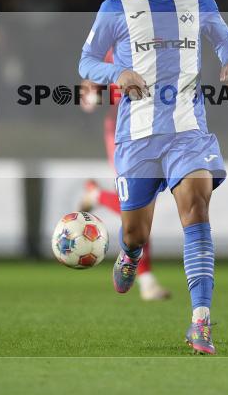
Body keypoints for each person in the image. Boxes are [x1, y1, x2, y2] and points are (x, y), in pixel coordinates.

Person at [78, 0, 228, 355]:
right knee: (136, 232)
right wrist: (117, 73)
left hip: (188, 132)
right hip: (137, 138)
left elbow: (223, 36)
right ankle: (130, 253)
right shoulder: (115, 8)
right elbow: (87, 61)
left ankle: (200, 322)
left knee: (197, 210)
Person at [79, 57, 171, 301]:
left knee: (142, 207)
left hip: (157, 129)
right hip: (124, 131)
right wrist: (95, 93)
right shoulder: (117, 37)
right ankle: (147, 281)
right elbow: (91, 90)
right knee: (135, 206)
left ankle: (96, 194)